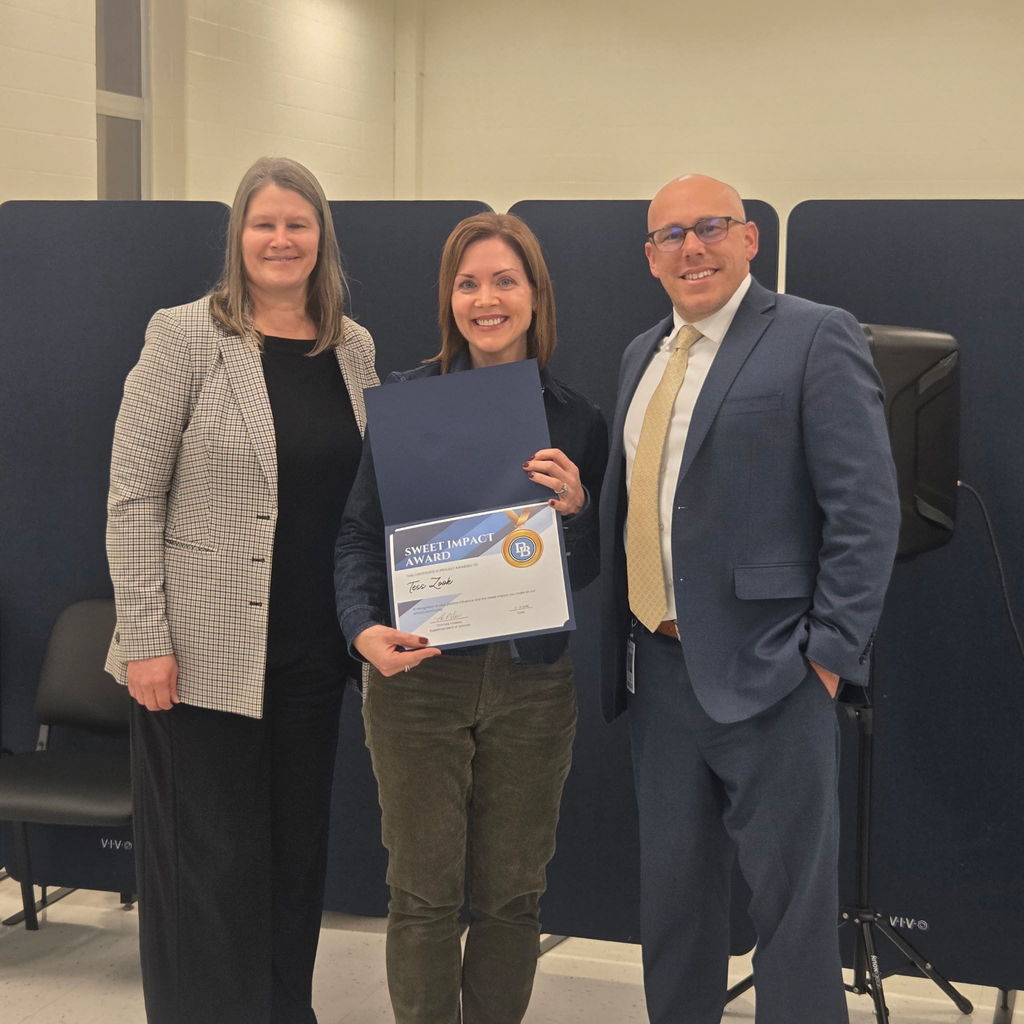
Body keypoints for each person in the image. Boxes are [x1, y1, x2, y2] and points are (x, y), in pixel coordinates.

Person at [598, 174, 901, 1024]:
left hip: (774, 674)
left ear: (749, 239)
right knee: (675, 914)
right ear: (651, 257)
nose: (691, 248)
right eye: (670, 236)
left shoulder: (813, 336)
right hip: (657, 669)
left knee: (792, 922)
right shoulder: (641, 355)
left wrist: (828, 658)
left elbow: (866, 509)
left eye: (710, 228)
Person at [105, 156, 378, 1024]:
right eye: (265, 223)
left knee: (295, 862)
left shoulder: (353, 346)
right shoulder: (185, 336)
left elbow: (372, 497)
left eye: (299, 224)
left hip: (311, 656)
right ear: (239, 236)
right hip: (197, 656)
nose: (281, 239)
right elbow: (132, 493)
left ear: (321, 239)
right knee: (207, 873)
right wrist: (144, 636)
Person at [334, 212, 607, 1024]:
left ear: (535, 295)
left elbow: (582, 574)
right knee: (421, 894)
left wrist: (577, 511)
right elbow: (357, 533)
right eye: (468, 282)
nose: (486, 299)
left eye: (504, 281)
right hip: (418, 678)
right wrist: (360, 626)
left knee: (512, 897)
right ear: (449, 297)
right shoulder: (407, 405)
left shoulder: (576, 418)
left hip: (531, 686)